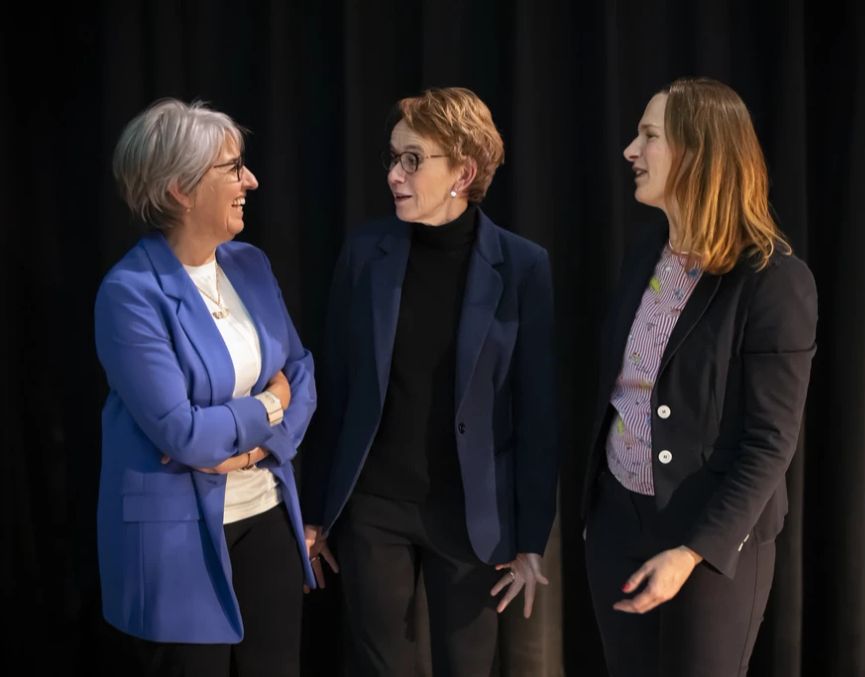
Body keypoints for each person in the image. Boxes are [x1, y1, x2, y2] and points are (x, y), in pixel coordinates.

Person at [302, 86, 558, 676]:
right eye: (393, 158)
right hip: (374, 508)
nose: (395, 174)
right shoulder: (365, 252)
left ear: (463, 171)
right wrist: (314, 511)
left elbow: (537, 411)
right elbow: (333, 389)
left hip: (472, 516)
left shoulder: (523, 266)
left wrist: (530, 538)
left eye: (413, 159)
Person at [581, 77, 818, 677]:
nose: (630, 151)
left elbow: (770, 443)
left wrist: (690, 553)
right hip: (619, 526)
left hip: (711, 544)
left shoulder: (774, 281)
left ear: (698, 152)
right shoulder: (646, 253)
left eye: (649, 136)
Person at [95, 98, 316, 677]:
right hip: (177, 538)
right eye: (232, 168)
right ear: (180, 190)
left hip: (265, 512)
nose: (251, 180)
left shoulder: (250, 265)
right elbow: (184, 432)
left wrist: (251, 449)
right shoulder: (130, 294)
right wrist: (271, 405)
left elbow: (303, 374)